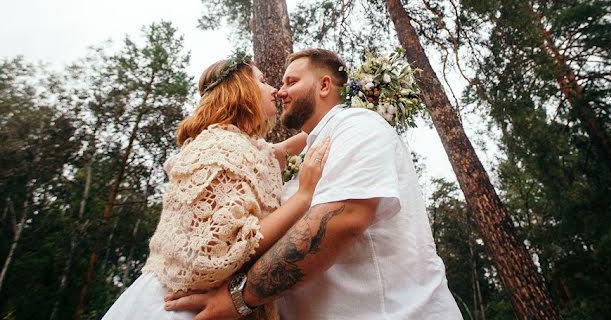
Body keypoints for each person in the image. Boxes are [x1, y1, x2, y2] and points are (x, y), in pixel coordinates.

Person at [164, 48, 462, 319]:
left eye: (290, 82)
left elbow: (343, 219)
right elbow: (276, 153)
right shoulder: (310, 152)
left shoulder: (358, 125)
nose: (280, 92)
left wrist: (240, 298)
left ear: (324, 86)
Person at [103, 54, 331, 320]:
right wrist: (304, 195)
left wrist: (343, 108)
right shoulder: (219, 147)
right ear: (241, 89)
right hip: (181, 308)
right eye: (263, 81)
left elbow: (282, 150)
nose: (276, 91)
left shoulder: (246, 147)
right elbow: (227, 247)